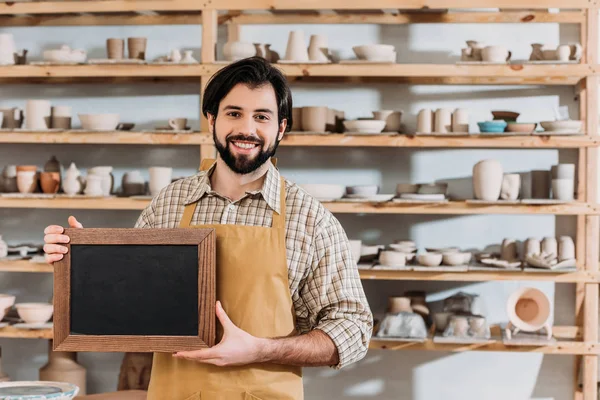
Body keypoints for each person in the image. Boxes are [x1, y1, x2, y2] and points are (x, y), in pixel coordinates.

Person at [43, 57, 373, 400]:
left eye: (262, 116)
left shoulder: (310, 219)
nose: (247, 128)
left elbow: (354, 329)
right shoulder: (169, 203)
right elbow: (132, 304)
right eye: (234, 113)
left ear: (281, 128)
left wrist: (260, 349)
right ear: (212, 119)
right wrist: (83, 261)